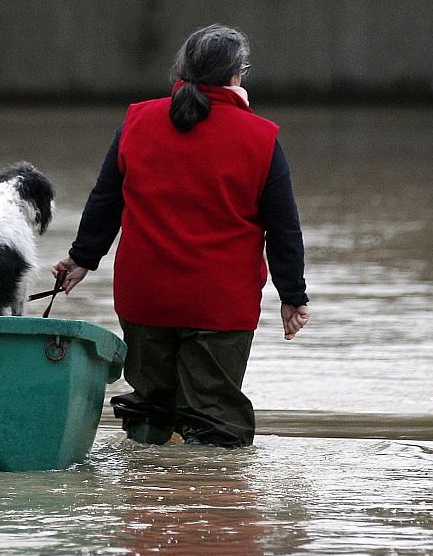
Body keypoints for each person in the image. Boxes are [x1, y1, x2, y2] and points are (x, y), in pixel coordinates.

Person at [52, 24, 309, 448]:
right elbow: (284, 228)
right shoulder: (260, 138)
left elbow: (105, 200)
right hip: (219, 304)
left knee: (151, 408)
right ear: (235, 76)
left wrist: (82, 258)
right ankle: (206, 504)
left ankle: (146, 497)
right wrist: (292, 295)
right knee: (215, 419)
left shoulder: (137, 121)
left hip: (145, 295)